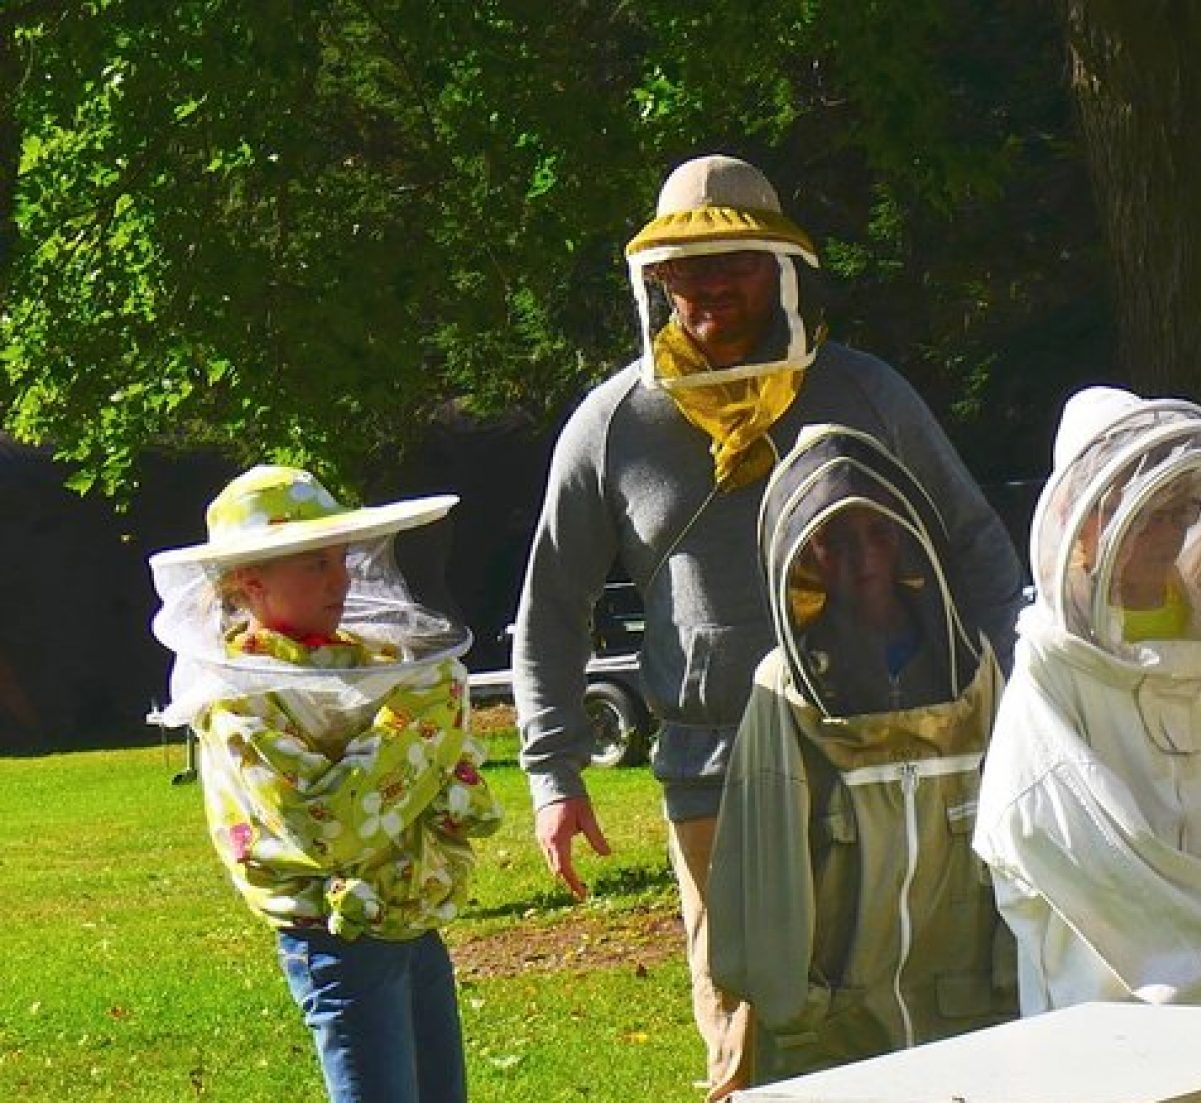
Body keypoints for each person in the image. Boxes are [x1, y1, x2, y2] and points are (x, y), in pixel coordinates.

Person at [512, 154, 1022, 1100]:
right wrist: (554, 771)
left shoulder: (868, 394)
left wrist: (1015, 699)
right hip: (713, 773)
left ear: (781, 267)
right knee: (751, 1023)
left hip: (889, 748)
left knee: (922, 998)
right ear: (656, 278)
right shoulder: (612, 424)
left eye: (734, 262)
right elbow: (550, 608)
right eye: (686, 268)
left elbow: (977, 545)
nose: (708, 287)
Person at [148, 465, 501, 1103]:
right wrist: (424, 722)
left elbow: (464, 799)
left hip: (411, 923)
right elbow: (331, 828)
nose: (341, 580)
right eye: (314, 565)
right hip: (338, 941)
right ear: (247, 581)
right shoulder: (239, 702)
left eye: (342, 560)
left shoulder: (372, 668)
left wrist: (424, 738)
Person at [972, 386, 1201, 1013]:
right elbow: (1061, 839)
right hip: (1107, 1000)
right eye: (1149, 512)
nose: (1170, 533)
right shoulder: (1051, 659)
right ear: (1084, 517)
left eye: (1183, 510)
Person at [707, 425, 1014, 1083]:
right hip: (838, 1033)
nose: (862, 556)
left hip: (966, 1016)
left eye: (876, 532)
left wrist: (1008, 972)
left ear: (906, 533)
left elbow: (1017, 841)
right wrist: (799, 1011)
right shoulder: (784, 690)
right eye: (835, 540)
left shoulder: (973, 667)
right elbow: (762, 892)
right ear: (804, 554)